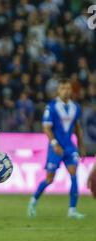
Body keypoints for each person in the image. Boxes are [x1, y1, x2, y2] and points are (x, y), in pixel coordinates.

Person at [27, 78, 86, 219]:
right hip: (55, 147)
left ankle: (72, 210)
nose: (66, 90)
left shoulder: (75, 107)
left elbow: (77, 127)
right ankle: (33, 201)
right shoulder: (52, 107)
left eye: (68, 88)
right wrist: (54, 143)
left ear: (71, 90)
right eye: (63, 88)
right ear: (58, 90)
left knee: (74, 175)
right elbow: (46, 127)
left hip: (70, 147)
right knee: (49, 179)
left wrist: (81, 145)